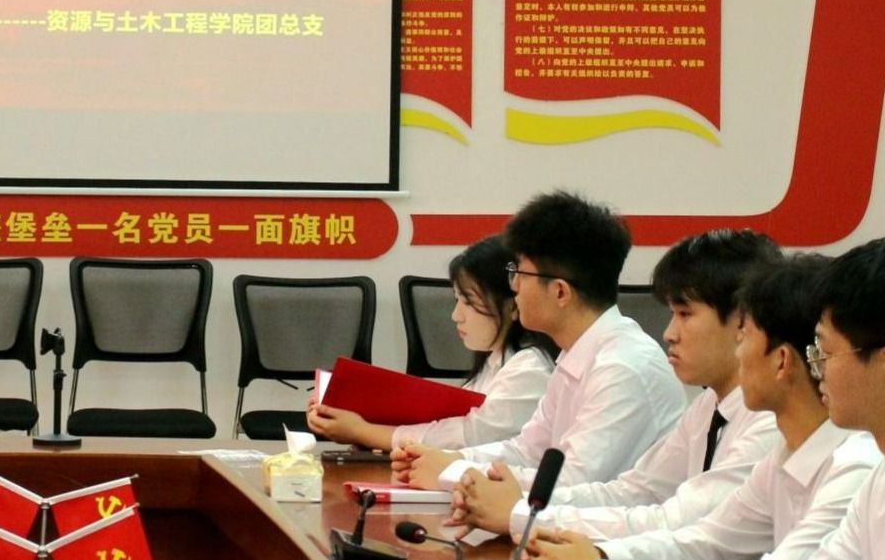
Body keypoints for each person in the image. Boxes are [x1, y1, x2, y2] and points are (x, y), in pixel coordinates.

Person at [554, 238, 885, 560]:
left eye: (823, 353)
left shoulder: (856, 467)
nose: (818, 368)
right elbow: (728, 556)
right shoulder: (824, 461)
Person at [458, 229, 783, 540]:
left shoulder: (768, 422)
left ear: (743, 322)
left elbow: (682, 528)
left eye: (685, 314)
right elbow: (636, 491)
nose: (669, 333)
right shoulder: (708, 406)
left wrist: (521, 512)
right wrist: (513, 500)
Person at [392, 190, 686, 497]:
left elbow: (569, 483)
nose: (514, 286)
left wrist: (452, 471)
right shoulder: (577, 353)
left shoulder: (623, 367)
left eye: (519, 273)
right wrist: (447, 459)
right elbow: (527, 451)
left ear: (560, 292)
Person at [307, 235, 557, 450]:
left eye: (469, 302)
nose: (456, 315)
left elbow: (468, 438)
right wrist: (345, 413)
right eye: (457, 300)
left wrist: (360, 431)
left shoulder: (531, 369)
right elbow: (448, 426)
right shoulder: (495, 362)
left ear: (513, 304)